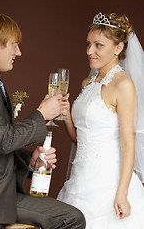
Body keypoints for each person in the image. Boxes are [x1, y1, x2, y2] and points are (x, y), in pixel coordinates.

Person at [0, 12, 86, 229]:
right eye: (15, 45)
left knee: (72, 217)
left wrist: (31, 161)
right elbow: (4, 139)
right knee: (71, 220)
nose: (19, 52)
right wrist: (42, 114)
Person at [57, 12, 144, 228]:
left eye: (98, 45)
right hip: (80, 179)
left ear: (118, 48)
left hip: (110, 183)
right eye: (88, 44)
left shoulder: (123, 85)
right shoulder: (88, 83)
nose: (89, 51)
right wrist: (67, 116)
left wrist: (122, 193)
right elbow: (80, 140)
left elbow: (128, 143)